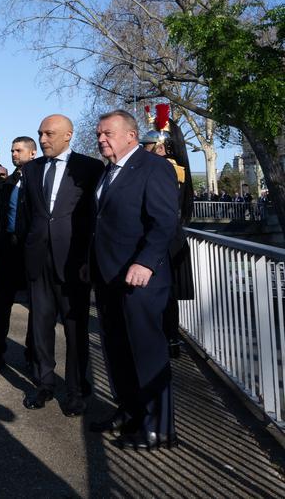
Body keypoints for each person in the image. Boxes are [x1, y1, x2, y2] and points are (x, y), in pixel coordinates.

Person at [90, 110, 179, 450]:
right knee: (117, 350)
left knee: (147, 351)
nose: (101, 139)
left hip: (141, 278)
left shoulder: (153, 167)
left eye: (107, 133)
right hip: (108, 277)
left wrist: (145, 262)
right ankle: (129, 412)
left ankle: (159, 427)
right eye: (99, 134)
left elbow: (164, 221)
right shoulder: (108, 172)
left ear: (130, 135)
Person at [17, 115, 104, 415]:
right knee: (40, 325)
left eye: (49, 134)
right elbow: (26, 217)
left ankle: (77, 389)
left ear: (68, 135)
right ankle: (44, 383)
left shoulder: (90, 168)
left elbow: (97, 216)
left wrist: (90, 258)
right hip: (38, 258)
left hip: (74, 261)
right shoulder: (31, 169)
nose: (42, 139)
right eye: (40, 133)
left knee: (75, 327)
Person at [140, 104, 194, 359]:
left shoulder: (168, 168)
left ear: (161, 147)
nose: (143, 150)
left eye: (148, 146)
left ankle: (170, 339)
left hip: (167, 237)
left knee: (166, 292)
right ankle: (168, 338)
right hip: (168, 235)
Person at [0, 136, 38, 374]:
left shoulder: (40, 180)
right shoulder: (6, 183)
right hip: (5, 251)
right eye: (12, 150)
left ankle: (32, 355)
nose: (14, 154)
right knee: (1, 307)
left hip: (30, 252)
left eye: (18, 150)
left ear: (32, 153)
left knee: (35, 308)